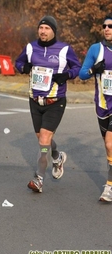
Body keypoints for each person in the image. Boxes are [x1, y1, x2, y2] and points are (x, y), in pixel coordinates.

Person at [15, 15, 81, 193]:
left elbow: (77, 68)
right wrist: (24, 68)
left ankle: (39, 179)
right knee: (42, 140)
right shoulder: (30, 47)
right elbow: (18, 63)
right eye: (41, 28)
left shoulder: (64, 49)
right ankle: (57, 156)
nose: (43, 31)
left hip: (55, 101)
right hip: (35, 100)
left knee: (44, 139)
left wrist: (66, 75)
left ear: (53, 31)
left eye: (47, 28)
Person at [79, 13, 112, 201]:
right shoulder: (95, 49)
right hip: (102, 106)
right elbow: (82, 74)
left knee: (110, 143)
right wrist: (94, 70)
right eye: (104, 26)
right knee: (109, 148)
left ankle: (109, 186)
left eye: (110, 26)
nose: (106, 28)